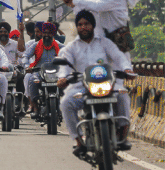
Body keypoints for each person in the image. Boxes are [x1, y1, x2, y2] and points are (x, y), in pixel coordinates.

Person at [57, 10, 134, 155]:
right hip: (82, 85)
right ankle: (78, 141)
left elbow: (119, 57)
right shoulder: (72, 47)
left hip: (107, 83)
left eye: (86, 24)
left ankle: (123, 134)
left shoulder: (105, 43)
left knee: (123, 95)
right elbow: (65, 66)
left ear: (92, 25)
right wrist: (63, 78)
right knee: (66, 102)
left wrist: (127, 69)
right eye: (80, 24)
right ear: (77, 27)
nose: (83, 27)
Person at [18, 21, 64, 114]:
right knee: (32, 80)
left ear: (53, 34)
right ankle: (34, 106)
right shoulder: (36, 45)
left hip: (56, 73)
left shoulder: (59, 45)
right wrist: (27, 67)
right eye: (45, 33)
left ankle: (61, 103)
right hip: (39, 72)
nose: (46, 35)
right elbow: (25, 56)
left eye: (49, 33)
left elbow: (68, 55)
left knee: (65, 80)